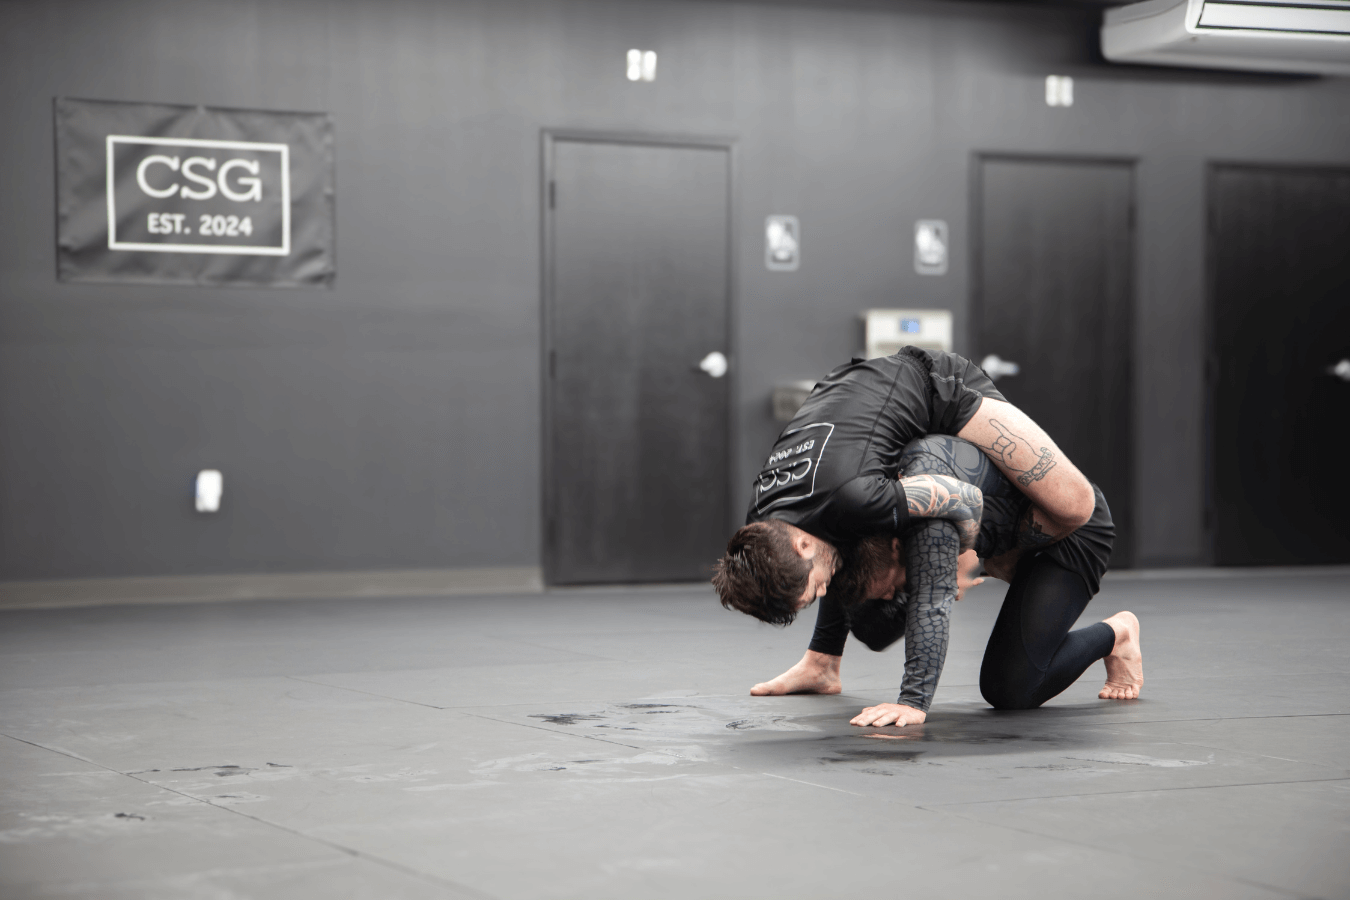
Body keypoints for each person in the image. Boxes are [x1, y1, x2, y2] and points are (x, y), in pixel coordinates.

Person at [724, 434, 1142, 727]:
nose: (893, 595)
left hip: (1069, 533)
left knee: (1011, 690)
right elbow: (835, 574)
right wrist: (821, 660)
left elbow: (931, 604)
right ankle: (824, 669)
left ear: (896, 549)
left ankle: (1116, 634)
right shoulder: (859, 521)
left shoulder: (929, 525)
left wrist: (912, 703)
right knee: (871, 622)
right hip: (997, 537)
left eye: (896, 585)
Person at [715, 347, 1096, 635]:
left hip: (938, 386)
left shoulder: (854, 496)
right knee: (857, 594)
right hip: (852, 395)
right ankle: (822, 666)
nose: (824, 589)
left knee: (1074, 505)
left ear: (801, 545)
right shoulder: (763, 527)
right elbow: (831, 547)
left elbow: (965, 499)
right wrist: (822, 657)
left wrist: (965, 558)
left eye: (815, 589)